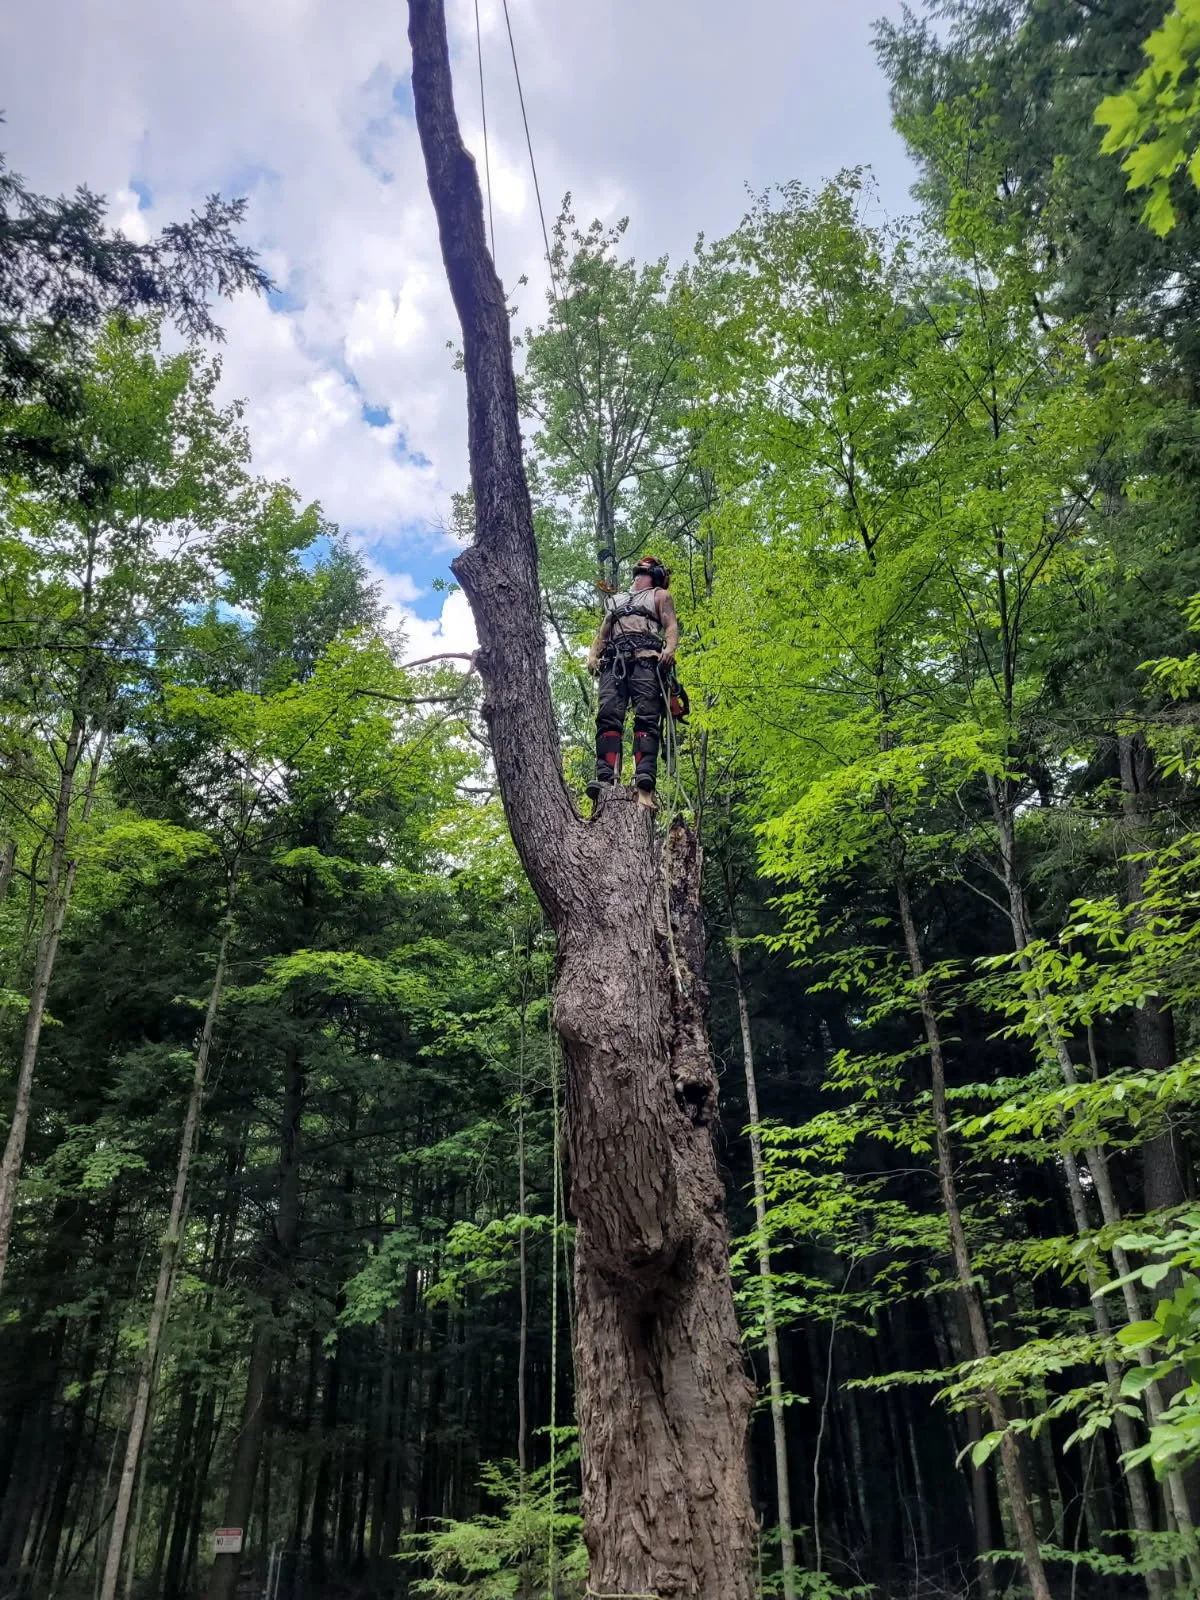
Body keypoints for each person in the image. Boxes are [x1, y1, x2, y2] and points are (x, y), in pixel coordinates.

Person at [586, 554, 679, 800]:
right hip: (614, 662)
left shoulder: (660, 595)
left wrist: (669, 650)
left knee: (647, 717)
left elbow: (670, 626)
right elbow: (603, 633)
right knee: (607, 715)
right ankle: (605, 774)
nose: (641, 573)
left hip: (646, 660)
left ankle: (645, 776)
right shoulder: (615, 600)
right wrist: (593, 655)